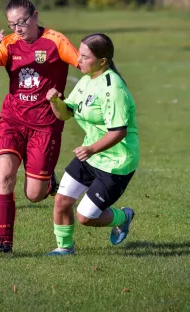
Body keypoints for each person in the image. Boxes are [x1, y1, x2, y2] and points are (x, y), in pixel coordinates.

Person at [0, 0, 79, 257]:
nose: (18, 29)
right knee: (4, 176)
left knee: (34, 194)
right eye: (12, 24)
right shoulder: (9, 44)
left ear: (35, 16)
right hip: (12, 120)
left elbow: (83, 64)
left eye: (22, 22)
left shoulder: (56, 42)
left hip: (45, 126)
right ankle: (4, 244)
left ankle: (47, 183)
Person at [45, 33, 139, 256]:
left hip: (117, 161)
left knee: (85, 217)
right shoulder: (86, 81)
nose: (79, 61)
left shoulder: (113, 89)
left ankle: (123, 216)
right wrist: (55, 101)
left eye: (85, 57)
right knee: (62, 201)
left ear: (102, 61)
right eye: (80, 55)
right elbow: (65, 114)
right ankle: (64, 248)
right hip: (90, 154)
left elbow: (118, 132)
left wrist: (90, 149)